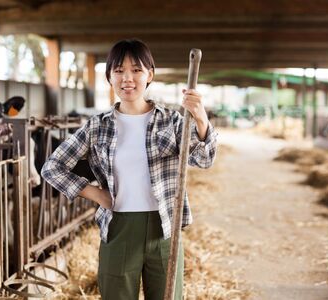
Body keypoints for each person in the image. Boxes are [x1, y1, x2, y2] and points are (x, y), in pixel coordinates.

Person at [41, 39, 217, 300]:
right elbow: (52, 167)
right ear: (109, 77)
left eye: (136, 70)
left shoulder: (172, 121)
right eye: (119, 70)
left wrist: (201, 119)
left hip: (164, 227)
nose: (127, 78)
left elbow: (204, 159)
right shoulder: (97, 126)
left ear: (150, 75)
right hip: (118, 227)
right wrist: (94, 193)